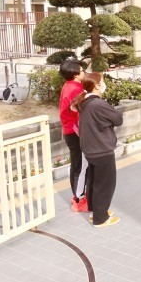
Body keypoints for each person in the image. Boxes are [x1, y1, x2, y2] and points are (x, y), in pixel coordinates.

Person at [72, 73, 123, 227]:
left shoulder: (84, 102)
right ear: (96, 85)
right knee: (105, 184)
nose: (104, 84)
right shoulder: (98, 104)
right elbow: (118, 119)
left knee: (94, 181)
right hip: (101, 148)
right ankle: (101, 218)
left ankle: (96, 212)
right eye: (102, 82)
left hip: (90, 148)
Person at [58, 59, 87, 212]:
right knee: (80, 166)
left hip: (70, 130)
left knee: (77, 165)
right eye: (82, 71)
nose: (84, 73)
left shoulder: (69, 86)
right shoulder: (75, 90)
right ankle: (78, 199)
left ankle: (78, 195)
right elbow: (79, 113)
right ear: (76, 74)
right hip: (75, 132)